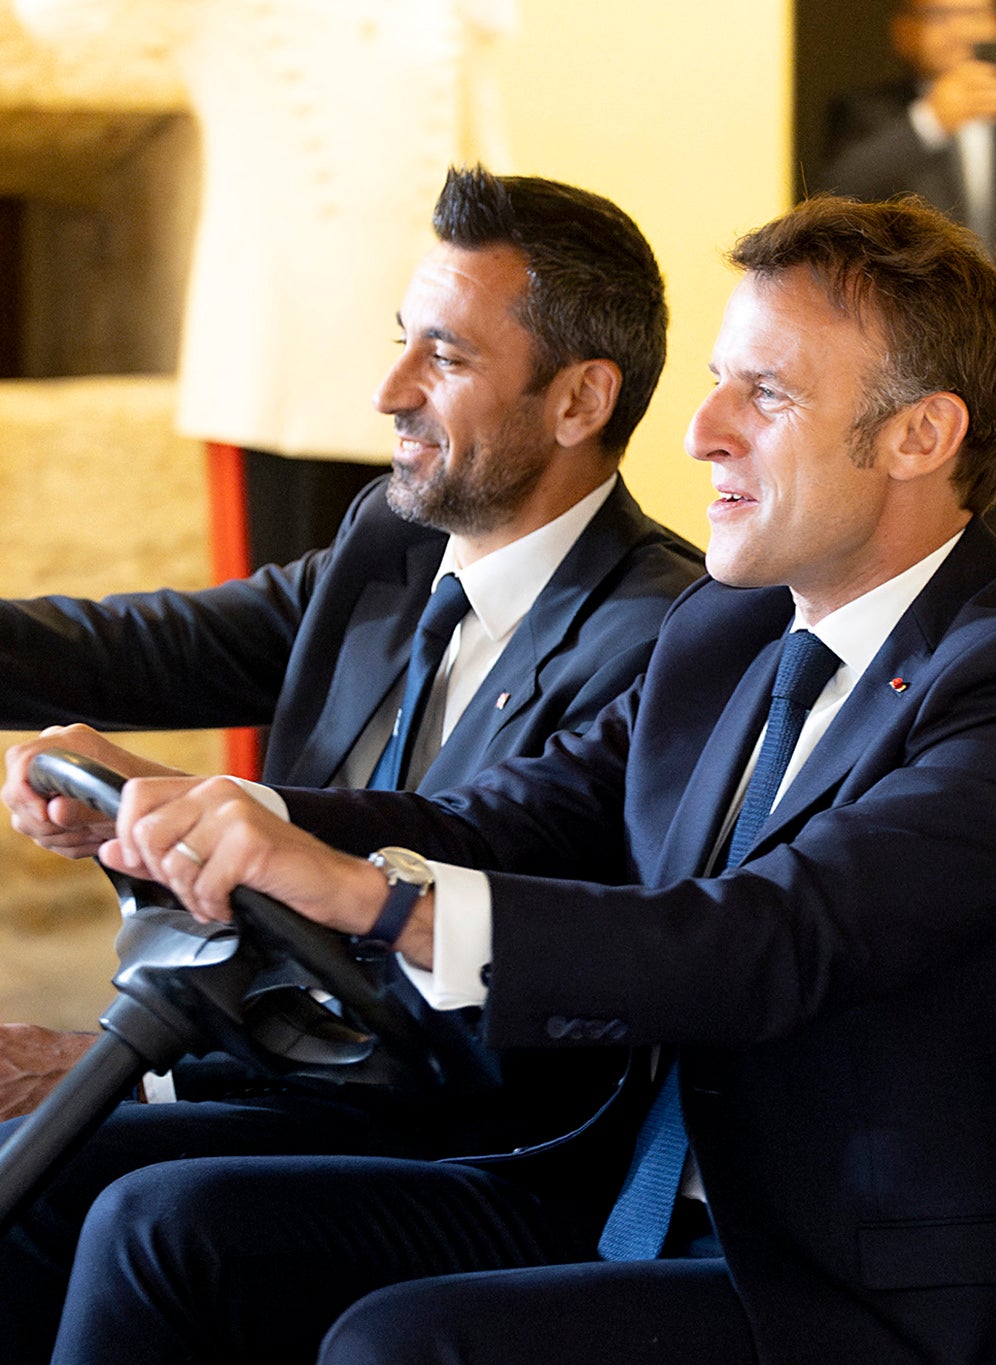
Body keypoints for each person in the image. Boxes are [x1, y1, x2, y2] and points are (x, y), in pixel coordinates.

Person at [30, 195, 996, 1365]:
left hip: (843, 1290)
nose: (702, 429)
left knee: (407, 1346)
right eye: (719, 380)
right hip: (614, 1193)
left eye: (763, 394)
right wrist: (246, 817)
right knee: (165, 1227)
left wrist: (379, 901)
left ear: (919, 437)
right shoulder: (729, 629)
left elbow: (761, 942)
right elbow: (511, 818)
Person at [0, 166, 704, 1360]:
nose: (389, 393)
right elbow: (146, 646)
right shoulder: (391, 542)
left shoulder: (666, 630)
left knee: (117, 1202)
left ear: (581, 399)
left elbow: (473, 834)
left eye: (446, 358)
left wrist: (229, 816)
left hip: (468, 1125)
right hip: (285, 1064)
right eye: (400, 345)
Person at [820, 0, 996, 553]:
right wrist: (931, 122)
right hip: (892, 388)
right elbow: (831, 196)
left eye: (975, 14)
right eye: (942, 15)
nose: (961, 29)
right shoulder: (866, 118)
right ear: (905, 32)